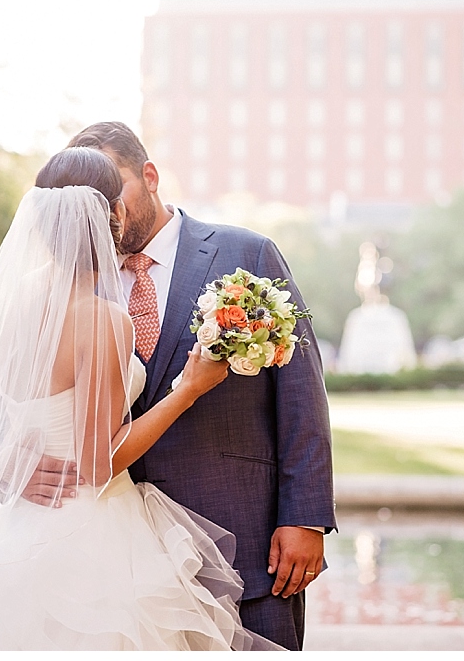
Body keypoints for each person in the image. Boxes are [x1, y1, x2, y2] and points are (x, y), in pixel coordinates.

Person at [0, 147, 282, 651]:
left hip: (17, 530)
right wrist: (187, 390)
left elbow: (8, 410)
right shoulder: (100, 320)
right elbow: (98, 465)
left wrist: (13, 457)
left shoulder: (19, 303)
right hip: (88, 535)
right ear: (114, 214)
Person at [26, 122, 337, 650]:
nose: (104, 207)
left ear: (149, 176)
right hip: (115, 552)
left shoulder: (247, 254)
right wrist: (12, 469)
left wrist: (305, 517)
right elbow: (18, 399)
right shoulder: (68, 288)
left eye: (112, 187)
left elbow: (301, 394)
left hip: (242, 539)